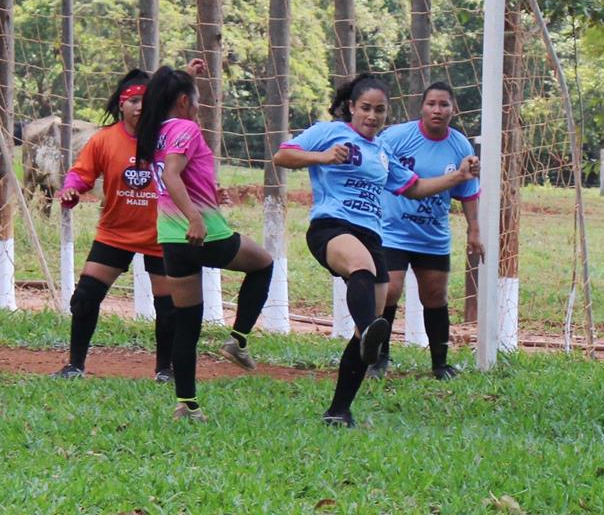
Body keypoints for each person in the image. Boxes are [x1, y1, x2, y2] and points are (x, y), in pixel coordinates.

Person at [273, 73, 480, 428]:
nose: (372, 116)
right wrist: (322, 157)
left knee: (367, 328)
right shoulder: (330, 132)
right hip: (331, 227)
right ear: (352, 107)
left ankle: (339, 409)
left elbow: (414, 187)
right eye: (365, 108)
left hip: (372, 236)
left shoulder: (383, 152)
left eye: (379, 110)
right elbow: (282, 156)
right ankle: (370, 328)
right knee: (362, 274)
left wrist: (458, 178)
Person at [135, 64, 274, 422]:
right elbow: (171, 173)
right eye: (196, 100)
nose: (198, 107)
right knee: (263, 263)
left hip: (169, 237)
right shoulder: (186, 127)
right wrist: (196, 217)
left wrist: (187, 75)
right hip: (203, 232)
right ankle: (238, 339)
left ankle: (187, 404)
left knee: (188, 323)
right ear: (183, 102)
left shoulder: (154, 131)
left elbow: (164, 92)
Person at [52, 67, 178, 382]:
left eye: (146, 101)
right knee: (85, 297)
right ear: (121, 105)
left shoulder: (169, 137)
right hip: (115, 234)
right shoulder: (104, 140)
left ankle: (165, 370)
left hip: (161, 235)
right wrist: (70, 190)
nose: (139, 107)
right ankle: (75, 366)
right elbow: (80, 175)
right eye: (133, 100)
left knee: (169, 308)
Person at [368, 81, 484, 381]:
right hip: (392, 230)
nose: (437, 109)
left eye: (444, 104)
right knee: (389, 290)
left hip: (432, 234)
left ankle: (439, 364)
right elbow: (374, 168)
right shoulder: (396, 137)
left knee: (435, 296)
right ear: (422, 107)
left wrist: (474, 229)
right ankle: (379, 359)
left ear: (453, 109)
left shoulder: (460, 146)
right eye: (431, 103)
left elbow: (469, 191)